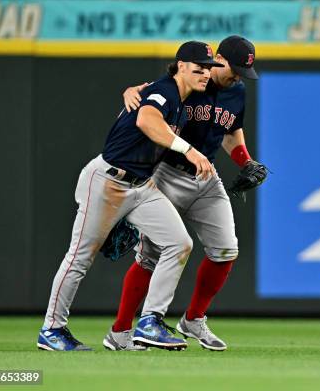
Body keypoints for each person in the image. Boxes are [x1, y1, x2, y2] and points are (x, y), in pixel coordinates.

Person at [37, 41, 223, 351]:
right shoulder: (165, 91)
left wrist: (132, 91)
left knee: (180, 243)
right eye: (198, 68)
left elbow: (144, 105)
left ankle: (148, 322)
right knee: (80, 258)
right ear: (180, 67)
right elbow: (146, 120)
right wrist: (188, 149)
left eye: (209, 68)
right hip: (108, 181)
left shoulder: (176, 95)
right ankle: (52, 329)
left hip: (141, 186)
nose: (205, 73)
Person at [102, 35, 264, 352]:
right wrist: (134, 90)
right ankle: (120, 331)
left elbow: (229, 130)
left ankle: (193, 319)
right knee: (151, 255)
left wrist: (245, 161)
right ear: (217, 58)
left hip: (206, 177)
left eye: (243, 73)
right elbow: (154, 98)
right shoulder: (189, 83)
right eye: (233, 69)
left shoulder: (237, 90)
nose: (236, 77)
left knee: (226, 250)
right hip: (166, 173)